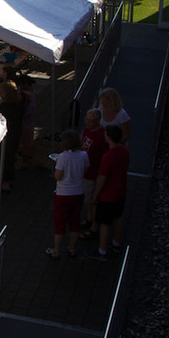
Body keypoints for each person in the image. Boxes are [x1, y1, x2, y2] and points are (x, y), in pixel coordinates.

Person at [87, 124, 130, 261]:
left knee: (104, 222)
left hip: (108, 195)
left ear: (109, 138)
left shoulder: (107, 156)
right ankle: (116, 243)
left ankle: (102, 251)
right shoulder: (124, 151)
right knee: (118, 217)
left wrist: (95, 194)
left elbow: (102, 178)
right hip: (121, 191)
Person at [46, 129, 89, 260]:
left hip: (63, 193)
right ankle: (72, 248)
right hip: (78, 192)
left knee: (60, 222)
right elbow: (85, 171)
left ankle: (56, 250)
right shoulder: (84, 155)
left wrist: (57, 165)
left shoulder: (63, 157)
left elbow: (58, 176)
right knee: (74, 222)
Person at [79, 108, 109, 236]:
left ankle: (94, 226)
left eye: (91, 121)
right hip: (86, 172)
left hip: (94, 173)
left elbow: (105, 156)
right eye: (87, 120)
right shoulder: (87, 130)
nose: (88, 123)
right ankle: (89, 219)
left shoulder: (102, 135)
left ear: (98, 121)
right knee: (88, 199)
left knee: (93, 201)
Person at [0, 80, 24, 193]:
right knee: (10, 157)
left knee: (5, 159)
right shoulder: (19, 102)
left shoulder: (6, 107)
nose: (0, 93)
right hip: (15, 133)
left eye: (2, 92)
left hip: (7, 136)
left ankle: (5, 182)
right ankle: (8, 180)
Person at [17, 74, 36, 164]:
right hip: (30, 120)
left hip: (26, 120)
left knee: (25, 142)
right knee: (27, 140)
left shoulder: (26, 95)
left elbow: (23, 107)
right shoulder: (32, 91)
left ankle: (24, 162)